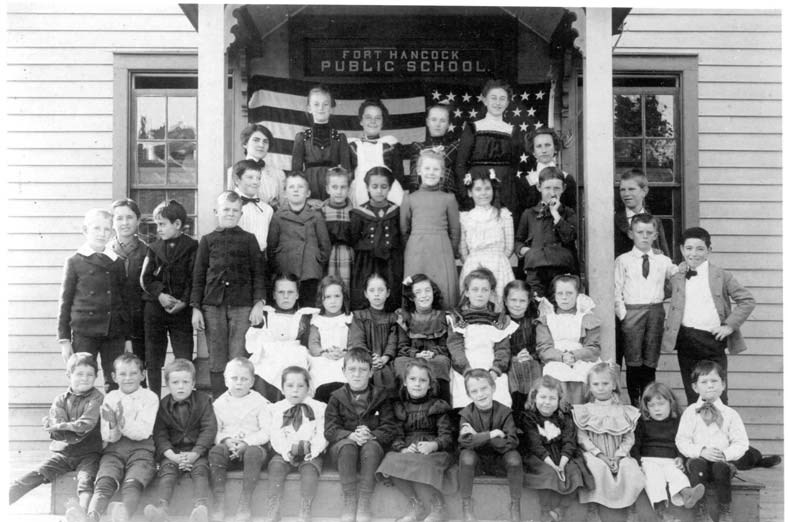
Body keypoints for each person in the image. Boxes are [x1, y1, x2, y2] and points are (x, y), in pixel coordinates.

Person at [661, 227, 756, 405]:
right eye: (688, 248)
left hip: (712, 340)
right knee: (693, 393)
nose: (694, 253)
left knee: (716, 393)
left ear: (709, 251)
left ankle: (719, 430)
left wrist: (728, 326)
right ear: (682, 249)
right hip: (686, 340)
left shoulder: (722, 275)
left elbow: (747, 300)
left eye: (700, 249)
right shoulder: (678, 276)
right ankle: (699, 431)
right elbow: (659, 292)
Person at [9, 354, 103, 521]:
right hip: (64, 453)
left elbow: (86, 423)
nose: (85, 378)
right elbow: (57, 427)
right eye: (79, 374)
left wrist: (58, 427)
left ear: (96, 376)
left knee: (86, 480)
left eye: (90, 375)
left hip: (89, 453)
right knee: (36, 473)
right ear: (69, 376)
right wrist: (59, 428)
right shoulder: (60, 400)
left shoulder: (96, 398)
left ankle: (80, 514)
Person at [190, 191, 266, 398]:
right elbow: (198, 276)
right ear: (217, 212)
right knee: (216, 355)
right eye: (226, 210)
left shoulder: (249, 240)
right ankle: (219, 402)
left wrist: (258, 303)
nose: (230, 214)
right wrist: (196, 307)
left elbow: (259, 274)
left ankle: (239, 401)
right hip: (213, 306)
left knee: (238, 355)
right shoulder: (207, 241)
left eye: (235, 211)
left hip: (242, 306)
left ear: (241, 214)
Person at [57, 208, 130, 393]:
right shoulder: (75, 261)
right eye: (96, 228)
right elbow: (65, 303)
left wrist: (128, 337)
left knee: (114, 382)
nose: (102, 233)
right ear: (85, 230)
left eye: (107, 229)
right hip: (84, 331)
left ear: (112, 232)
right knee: (81, 378)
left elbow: (125, 302)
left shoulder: (117, 262)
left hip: (113, 331)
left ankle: (112, 421)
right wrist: (64, 340)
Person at [376, 359, 455, 522]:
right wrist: (402, 448)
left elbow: (447, 436)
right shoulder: (400, 407)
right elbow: (396, 433)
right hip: (409, 448)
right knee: (390, 460)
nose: (417, 384)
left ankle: (438, 507)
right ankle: (416, 505)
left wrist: (434, 445)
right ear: (405, 382)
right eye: (412, 379)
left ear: (429, 384)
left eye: (423, 380)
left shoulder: (438, 406)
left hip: (434, 451)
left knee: (423, 463)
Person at [325, 348, 398, 522]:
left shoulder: (381, 396)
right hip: (344, 452)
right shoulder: (336, 397)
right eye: (352, 369)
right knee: (348, 446)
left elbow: (389, 427)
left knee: (372, 447)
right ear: (344, 371)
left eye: (363, 370)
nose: (357, 375)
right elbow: (330, 429)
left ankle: (364, 500)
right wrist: (350, 435)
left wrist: (372, 435)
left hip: (370, 453)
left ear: (371, 372)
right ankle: (350, 499)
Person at [614, 213, 678, 406]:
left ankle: (649, 403)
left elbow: (676, 277)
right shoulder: (623, 260)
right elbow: (616, 289)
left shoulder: (663, 260)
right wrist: (623, 315)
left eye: (649, 232)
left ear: (655, 235)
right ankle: (635, 403)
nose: (644, 236)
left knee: (650, 361)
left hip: (655, 312)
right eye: (639, 232)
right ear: (631, 234)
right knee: (633, 361)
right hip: (632, 313)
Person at [86, 353, 159, 522]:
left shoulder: (150, 398)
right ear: (114, 376)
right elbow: (108, 437)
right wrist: (112, 424)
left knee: (133, 482)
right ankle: (91, 516)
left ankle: (123, 516)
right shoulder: (111, 398)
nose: (128, 378)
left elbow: (142, 432)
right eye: (122, 374)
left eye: (133, 373)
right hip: (114, 449)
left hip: (142, 449)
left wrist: (119, 421)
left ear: (143, 375)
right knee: (105, 479)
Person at [144, 359, 217, 522]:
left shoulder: (204, 401)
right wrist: (172, 456)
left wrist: (196, 453)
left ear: (193, 383)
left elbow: (209, 429)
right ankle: (162, 509)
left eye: (186, 382)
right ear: (168, 384)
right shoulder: (163, 405)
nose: (181, 386)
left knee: (200, 471)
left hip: (198, 451)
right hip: (173, 452)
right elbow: (160, 434)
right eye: (175, 382)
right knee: (167, 471)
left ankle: (200, 508)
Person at [675, 361, 749, 522]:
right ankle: (700, 511)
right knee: (696, 464)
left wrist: (725, 454)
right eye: (704, 382)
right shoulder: (690, 413)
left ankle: (725, 510)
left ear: (723, 384)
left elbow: (741, 442)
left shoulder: (730, 414)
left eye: (714, 381)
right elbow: (682, 440)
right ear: (695, 387)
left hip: (721, 463)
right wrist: (700, 451)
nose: (710, 386)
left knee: (720, 468)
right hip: (698, 463)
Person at [571, 362, 645, 522]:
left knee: (630, 468)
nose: (600, 387)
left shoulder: (623, 410)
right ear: (589, 387)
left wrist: (619, 455)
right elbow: (582, 437)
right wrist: (600, 455)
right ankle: (593, 508)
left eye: (605, 383)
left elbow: (628, 437)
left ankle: (631, 508)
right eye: (596, 384)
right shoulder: (585, 410)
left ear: (613, 385)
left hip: (618, 453)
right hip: (595, 454)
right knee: (595, 468)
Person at [141, 199, 198, 396]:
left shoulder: (192, 247)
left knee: (184, 357)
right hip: (155, 309)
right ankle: (154, 398)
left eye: (162, 224)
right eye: (157, 224)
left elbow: (195, 278)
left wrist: (183, 301)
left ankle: (184, 400)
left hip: (181, 311)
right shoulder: (154, 248)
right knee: (153, 358)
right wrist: (160, 295)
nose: (159, 229)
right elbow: (145, 278)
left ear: (178, 224)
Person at [519, 375, 592, 522]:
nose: (547, 402)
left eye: (552, 398)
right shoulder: (529, 417)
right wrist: (553, 465)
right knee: (549, 474)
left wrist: (563, 463)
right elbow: (535, 445)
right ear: (534, 398)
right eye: (543, 397)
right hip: (540, 456)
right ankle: (545, 511)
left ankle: (560, 509)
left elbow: (569, 441)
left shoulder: (564, 416)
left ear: (559, 400)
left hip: (562, 454)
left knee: (575, 472)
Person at [209, 357, 272, 522]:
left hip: (252, 450)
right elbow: (215, 431)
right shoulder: (219, 404)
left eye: (244, 379)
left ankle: (245, 501)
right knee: (216, 451)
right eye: (234, 378)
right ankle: (219, 500)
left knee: (253, 452)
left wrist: (247, 443)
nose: (239, 383)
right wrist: (227, 441)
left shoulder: (260, 402)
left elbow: (266, 431)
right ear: (225, 380)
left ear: (252, 381)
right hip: (228, 449)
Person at [631, 382, 705, 522]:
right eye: (652, 406)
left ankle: (687, 493)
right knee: (654, 479)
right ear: (646, 407)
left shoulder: (678, 421)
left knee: (677, 474)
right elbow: (635, 444)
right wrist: (637, 462)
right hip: (648, 460)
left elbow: (683, 441)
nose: (657, 409)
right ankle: (661, 512)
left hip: (670, 460)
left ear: (670, 403)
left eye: (661, 404)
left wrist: (680, 457)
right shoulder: (642, 422)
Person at [457, 368, 523, 522]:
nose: (480, 394)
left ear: (493, 387)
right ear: (468, 395)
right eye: (474, 391)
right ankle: (466, 504)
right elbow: (465, 441)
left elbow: (511, 442)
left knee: (514, 458)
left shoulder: (505, 412)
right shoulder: (466, 414)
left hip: (500, 462)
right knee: (466, 456)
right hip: (477, 463)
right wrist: (491, 434)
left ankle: (515, 505)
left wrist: (477, 437)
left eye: (484, 388)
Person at [448, 268, 516, 409]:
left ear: (491, 293)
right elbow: (455, 348)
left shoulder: (498, 321)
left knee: (498, 395)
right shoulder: (458, 319)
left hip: (491, 366)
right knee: (465, 396)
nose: (480, 294)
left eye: (485, 290)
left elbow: (502, 349)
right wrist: (467, 371)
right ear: (467, 292)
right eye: (475, 289)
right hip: (466, 367)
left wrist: (495, 371)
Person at [267, 366, 329, 522]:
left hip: (310, 453)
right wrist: (286, 452)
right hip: (285, 452)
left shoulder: (319, 408)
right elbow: (276, 435)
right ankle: (273, 507)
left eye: (300, 386)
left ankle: (305, 508)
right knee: (275, 467)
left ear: (308, 388)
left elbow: (322, 433)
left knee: (310, 470)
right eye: (290, 386)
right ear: (282, 388)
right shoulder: (277, 409)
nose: (295, 391)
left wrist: (313, 451)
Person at [400, 149, 461, 308]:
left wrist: (450, 252)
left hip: (441, 250)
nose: (431, 173)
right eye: (427, 168)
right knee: (416, 287)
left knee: (443, 287)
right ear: (419, 170)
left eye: (436, 169)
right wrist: (412, 249)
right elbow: (404, 229)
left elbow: (455, 231)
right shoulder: (409, 198)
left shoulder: (449, 198)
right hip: (416, 251)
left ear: (442, 173)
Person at [455, 79, 522, 220]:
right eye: (494, 98)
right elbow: (460, 163)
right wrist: (464, 192)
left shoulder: (512, 131)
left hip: (505, 187)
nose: (498, 103)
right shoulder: (473, 127)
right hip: (479, 186)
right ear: (485, 100)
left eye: (502, 99)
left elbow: (514, 163)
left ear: (508, 103)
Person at [245, 273, 317, 402]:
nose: (285, 297)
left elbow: (308, 342)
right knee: (261, 369)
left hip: (295, 355)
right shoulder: (266, 314)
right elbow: (252, 343)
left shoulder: (304, 316)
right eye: (281, 292)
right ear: (273, 294)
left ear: (297, 295)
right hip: (270, 354)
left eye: (290, 292)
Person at [267, 172, 332, 307]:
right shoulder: (278, 217)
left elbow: (325, 245)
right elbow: (271, 247)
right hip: (286, 271)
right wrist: (279, 263)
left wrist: (316, 260)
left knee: (308, 308)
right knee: (286, 308)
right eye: (291, 187)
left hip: (309, 271)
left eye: (300, 187)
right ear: (284, 193)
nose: (296, 190)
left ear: (308, 193)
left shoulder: (316, 216)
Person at [536, 275, 601, 405]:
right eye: (560, 293)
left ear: (578, 295)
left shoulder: (586, 319)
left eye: (569, 293)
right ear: (554, 295)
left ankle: (580, 412)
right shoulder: (547, 320)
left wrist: (574, 355)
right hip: (556, 359)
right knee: (555, 372)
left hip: (581, 359)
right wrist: (562, 357)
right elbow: (543, 348)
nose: (564, 298)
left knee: (587, 373)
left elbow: (594, 348)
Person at [515, 167, 578, 298]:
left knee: (560, 303)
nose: (552, 192)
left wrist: (556, 213)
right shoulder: (529, 213)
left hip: (561, 268)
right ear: (539, 187)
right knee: (537, 303)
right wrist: (524, 250)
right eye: (547, 188)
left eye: (557, 188)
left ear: (564, 188)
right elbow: (519, 240)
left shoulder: (568, 213)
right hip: (535, 268)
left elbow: (570, 237)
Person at [349, 166, 404, 311]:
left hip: (391, 263)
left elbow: (401, 238)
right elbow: (353, 239)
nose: (379, 191)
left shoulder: (397, 212)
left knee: (391, 295)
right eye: (374, 186)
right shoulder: (359, 213)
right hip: (366, 262)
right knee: (365, 295)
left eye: (384, 187)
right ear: (367, 187)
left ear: (390, 188)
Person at [457, 170, 515, 308]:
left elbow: (509, 247)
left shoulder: (503, 215)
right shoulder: (465, 218)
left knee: (498, 301)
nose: (483, 193)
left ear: (493, 190)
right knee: (475, 300)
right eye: (478, 189)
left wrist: (497, 258)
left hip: (499, 265)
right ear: (470, 193)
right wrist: (474, 260)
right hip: (473, 264)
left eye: (487, 188)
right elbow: (463, 251)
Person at [394, 274, 452, 403]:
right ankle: (404, 405)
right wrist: (417, 354)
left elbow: (445, 345)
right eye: (418, 292)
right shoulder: (404, 317)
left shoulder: (442, 317)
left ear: (433, 292)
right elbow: (402, 347)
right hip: (412, 356)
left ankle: (441, 405)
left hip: (435, 356)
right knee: (400, 363)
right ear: (412, 297)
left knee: (442, 361)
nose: (424, 295)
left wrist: (433, 353)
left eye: (427, 290)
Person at [291, 85, 352, 201]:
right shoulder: (301, 138)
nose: (321, 108)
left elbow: (346, 172)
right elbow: (296, 175)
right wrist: (306, 198)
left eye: (325, 104)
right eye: (316, 104)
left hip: (334, 192)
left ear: (332, 108)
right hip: (309, 192)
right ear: (309, 108)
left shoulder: (340, 138)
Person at [110, 198, 148, 371]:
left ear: (138, 220)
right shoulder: (105, 252)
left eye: (130, 217)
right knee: (114, 374)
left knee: (138, 371)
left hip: (139, 321)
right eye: (119, 218)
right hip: (112, 322)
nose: (124, 223)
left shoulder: (148, 251)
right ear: (113, 222)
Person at [348, 274, 400, 395]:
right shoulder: (359, 316)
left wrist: (384, 358)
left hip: (387, 360)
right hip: (365, 359)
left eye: (381, 290)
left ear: (387, 293)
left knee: (389, 374)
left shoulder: (393, 318)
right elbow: (358, 341)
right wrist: (371, 358)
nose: (376, 294)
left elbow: (393, 342)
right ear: (366, 294)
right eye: (372, 290)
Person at [348, 98, 405, 207]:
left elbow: (399, 176)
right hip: (360, 194)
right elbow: (348, 176)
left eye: (378, 118)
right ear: (361, 121)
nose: (373, 121)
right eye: (368, 117)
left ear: (383, 122)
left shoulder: (390, 144)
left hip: (388, 194)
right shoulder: (352, 146)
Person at [308, 275, 353, 402]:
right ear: (321, 299)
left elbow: (353, 342)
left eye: (337, 296)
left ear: (343, 297)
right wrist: (324, 352)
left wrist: (344, 353)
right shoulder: (317, 320)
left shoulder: (349, 319)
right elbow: (313, 344)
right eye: (327, 297)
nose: (333, 301)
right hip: (323, 358)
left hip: (343, 357)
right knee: (320, 373)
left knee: (345, 372)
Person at [404, 103, 461, 200]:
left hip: (447, 200)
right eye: (433, 119)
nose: (437, 124)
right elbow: (414, 182)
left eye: (442, 120)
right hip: (421, 201)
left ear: (449, 124)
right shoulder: (418, 147)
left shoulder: (456, 147)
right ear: (427, 122)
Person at [502, 280, 541, 415]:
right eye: (513, 300)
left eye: (522, 301)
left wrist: (532, 355)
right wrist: (514, 358)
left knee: (534, 367)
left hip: (531, 361)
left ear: (529, 301)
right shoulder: (501, 323)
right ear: (506, 301)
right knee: (514, 369)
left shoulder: (534, 322)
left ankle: (533, 410)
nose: (517, 305)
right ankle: (517, 412)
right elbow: (499, 348)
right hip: (509, 362)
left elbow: (540, 345)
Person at [614, 168, 670, 258]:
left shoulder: (655, 221)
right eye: (622, 190)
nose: (626, 194)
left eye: (631, 189)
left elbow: (665, 256)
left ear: (644, 191)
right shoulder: (613, 221)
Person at [228, 123, 286, 208]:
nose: (261, 145)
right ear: (245, 144)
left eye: (265, 141)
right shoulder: (232, 172)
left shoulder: (278, 174)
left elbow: (283, 208)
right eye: (256, 140)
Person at [519, 127, 577, 212]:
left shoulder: (567, 179)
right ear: (533, 152)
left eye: (547, 145)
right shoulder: (525, 182)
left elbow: (572, 215)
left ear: (555, 148)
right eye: (539, 146)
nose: (544, 150)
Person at [232, 159, 275, 255]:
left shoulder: (267, 210)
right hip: (234, 259)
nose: (255, 182)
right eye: (250, 177)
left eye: (258, 178)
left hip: (259, 261)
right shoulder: (228, 206)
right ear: (237, 180)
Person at [322, 166, 355, 288]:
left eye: (343, 187)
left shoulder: (354, 213)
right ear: (327, 189)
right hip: (327, 258)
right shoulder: (321, 212)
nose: (339, 191)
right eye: (334, 187)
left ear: (348, 189)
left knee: (346, 288)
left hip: (348, 257)